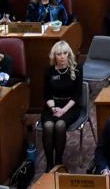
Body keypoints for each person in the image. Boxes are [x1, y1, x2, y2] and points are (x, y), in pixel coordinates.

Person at [40, 40, 83, 169]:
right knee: (48, 126)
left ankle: (58, 161)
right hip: (52, 105)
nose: (62, 56)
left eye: (65, 53)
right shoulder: (49, 71)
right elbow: (46, 94)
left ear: (69, 54)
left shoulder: (77, 68)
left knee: (59, 124)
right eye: (59, 54)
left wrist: (63, 110)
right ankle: (49, 163)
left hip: (71, 105)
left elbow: (77, 95)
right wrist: (53, 108)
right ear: (54, 56)